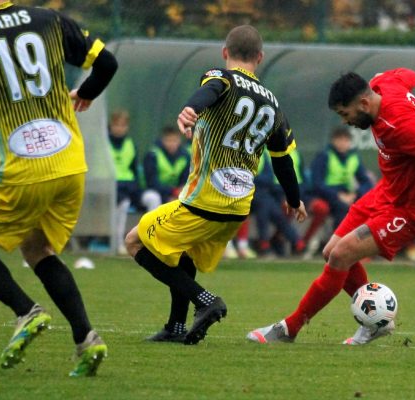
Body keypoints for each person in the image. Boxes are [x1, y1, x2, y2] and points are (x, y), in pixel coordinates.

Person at [0, 0, 117, 376]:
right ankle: (86, 338)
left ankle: (26, 312)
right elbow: (107, 63)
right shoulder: (50, 20)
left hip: (22, 168)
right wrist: (86, 91)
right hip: (70, 165)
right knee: (36, 247)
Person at [247, 68, 415, 345]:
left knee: (341, 255)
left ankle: (288, 329)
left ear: (364, 104)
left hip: (412, 208)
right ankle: (375, 322)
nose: (347, 122)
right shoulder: (383, 84)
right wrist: (389, 80)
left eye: (345, 114)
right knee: (331, 252)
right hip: (386, 192)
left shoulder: (403, 126)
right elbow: (409, 74)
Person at [124, 25, 307, 344]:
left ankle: (206, 301)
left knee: (134, 242)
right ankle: (176, 327)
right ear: (260, 58)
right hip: (238, 207)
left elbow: (210, 91)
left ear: (225, 53)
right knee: (184, 256)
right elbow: (282, 159)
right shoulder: (274, 104)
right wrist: (294, 198)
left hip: (205, 200)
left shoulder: (221, 76)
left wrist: (191, 108)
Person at [302, 126, 373, 257]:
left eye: (346, 140)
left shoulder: (353, 158)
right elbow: (317, 183)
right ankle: (337, 246)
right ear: (333, 141)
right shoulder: (324, 156)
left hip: (346, 194)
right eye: (339, 140)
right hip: (326, 194)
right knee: (342, 208)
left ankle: (364, 248)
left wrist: (356, 193)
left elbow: (366, 181)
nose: (342, 144)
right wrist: (337, 195)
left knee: (364, 208)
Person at [251, 150, 306, 257]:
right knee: (267, 205)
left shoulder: (295, 153)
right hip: (250, 192)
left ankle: (264, 243)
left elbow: (269, 177)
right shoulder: (262, 151)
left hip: (265, 193)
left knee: (270, 207)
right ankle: (296, 241)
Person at [107, 109, 142, 255]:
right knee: (124, 203)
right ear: (111, 126)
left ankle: (151, 241)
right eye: (117, 125)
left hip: (129, 187)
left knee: (152, 198)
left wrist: (136, 186)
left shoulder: (130, 144)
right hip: (111, 186)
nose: (119, 128)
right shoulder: (104, 143)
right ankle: (119, 242)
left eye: (123, 125)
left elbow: (134, 170)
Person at [141, 125, 190, 212]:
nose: (172, 144)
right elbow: (152, 183)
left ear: (179, 140)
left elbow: (185, 181)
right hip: (153, 192)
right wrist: (171, 192)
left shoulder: (185, 156)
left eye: (174, 140)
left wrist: (178, 192)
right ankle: (153, 225)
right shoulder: (153, 155)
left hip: (174, 193)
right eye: (168, 140)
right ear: (162, 140)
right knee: (154, 198)